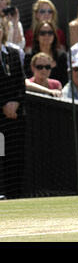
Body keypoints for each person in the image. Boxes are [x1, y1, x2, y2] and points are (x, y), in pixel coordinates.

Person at [0, 17, 26, 198]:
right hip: (1, 114)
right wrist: (3, 105)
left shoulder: (13, 53)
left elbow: (20, 84)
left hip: (15, 117)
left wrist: (15, 103)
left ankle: (14, 196)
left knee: (14, 158)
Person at [24, 20, 68, 86]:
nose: (46, 35)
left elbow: (64, 81)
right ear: (37, 36)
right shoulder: (29, 56)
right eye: (42, 33)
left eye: (50, 33)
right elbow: (27, 79)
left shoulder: (61, 56)